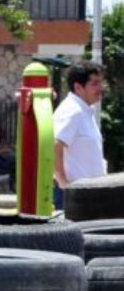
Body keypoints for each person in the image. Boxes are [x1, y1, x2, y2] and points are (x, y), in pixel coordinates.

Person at [54, 61, 107, 209]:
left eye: (100, 83)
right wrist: (63, 182)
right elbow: (55, 143)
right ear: (78, 87)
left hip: (86, 195)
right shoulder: (73, 111)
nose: (100, 88)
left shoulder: (83, 111)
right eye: (94, 83)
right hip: (73, 196)